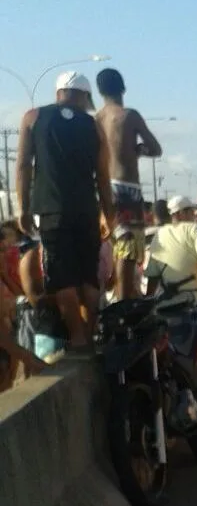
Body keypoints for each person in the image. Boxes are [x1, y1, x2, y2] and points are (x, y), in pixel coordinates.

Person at [16, 71, 114, 351]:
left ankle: (78, 336)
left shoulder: (32, 118)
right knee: (87, 275)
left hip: (51, 210)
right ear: (83, 96)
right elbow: (103, 176)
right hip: (86, 210)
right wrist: (109, 213)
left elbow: (23, 165)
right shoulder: (93, 126)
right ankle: (91, 334)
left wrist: (23, 208)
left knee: (62, 276)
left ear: (58, 93)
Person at [95, 68, 162, 301]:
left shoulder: (96, 119)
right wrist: (138, 151)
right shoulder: (128, 116)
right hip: (126, 189)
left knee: (112, 244)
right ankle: (124, 304)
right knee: (129, 249)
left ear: (99, 91)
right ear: (123, 88)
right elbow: (155, 148)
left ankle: (114, 298)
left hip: (102, 188)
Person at [144, 195, 197, 309]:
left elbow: (152, 277)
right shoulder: (195, 229)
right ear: (179, 214)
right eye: (190, 211)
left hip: (166, 307)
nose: (193, 214)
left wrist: (148, 304)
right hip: (194, 305)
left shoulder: (159, 234)